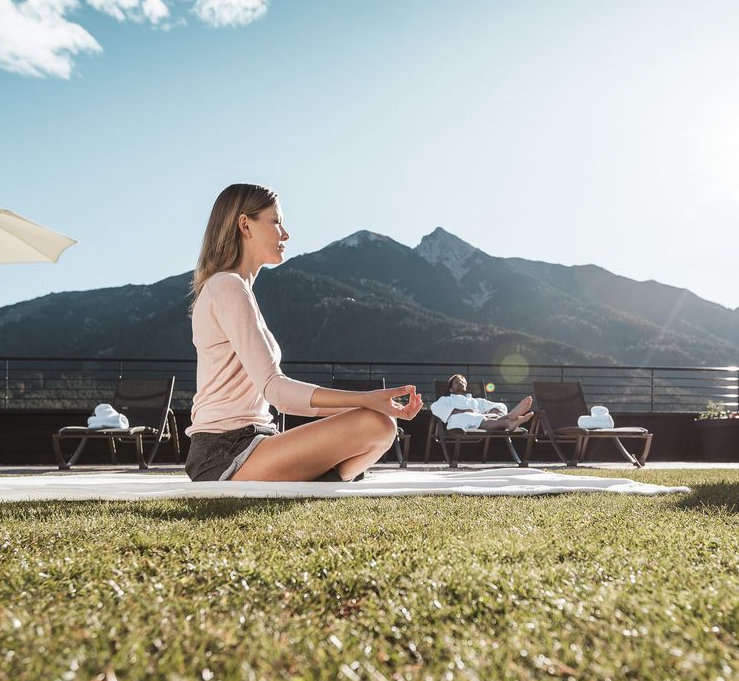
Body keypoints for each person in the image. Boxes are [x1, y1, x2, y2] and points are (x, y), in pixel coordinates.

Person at [184, 184, 421, 482]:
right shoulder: (227, 286)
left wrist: (370, 404)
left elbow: (285, 400)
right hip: (225, 451)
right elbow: (276, 390)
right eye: (276, 221)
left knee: (380, 423)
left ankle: (322, 480)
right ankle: (328, 477)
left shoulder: (236, 289)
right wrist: (365, 398)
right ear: (245, 224)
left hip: (258, 439)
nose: (285, 234)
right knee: (376, 426)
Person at [430, 374, 532, 431]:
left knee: (499, 407)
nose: (460, 382)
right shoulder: (446, 399)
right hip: (459, 422)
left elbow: (498, 406)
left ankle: (509, 420)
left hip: (482, 419)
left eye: (462, 381)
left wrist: (494, 410)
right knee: (468, 415)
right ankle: (510, 419)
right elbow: (435, 407)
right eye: (457, 382)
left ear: (466, 386)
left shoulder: (475, 401)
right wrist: (462, 411)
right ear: (451, 389)